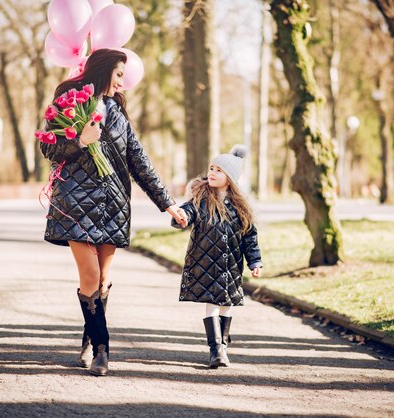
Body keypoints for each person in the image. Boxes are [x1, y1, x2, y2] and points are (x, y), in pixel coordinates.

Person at [39, 49, 187, 376]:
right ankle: (103, 350)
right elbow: (48, 147)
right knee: (90, 276)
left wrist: (168, 203)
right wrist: (80, 139)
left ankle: (90, 338)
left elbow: (139, 162)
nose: (123, 82)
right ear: (104, 70)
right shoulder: (69, 100)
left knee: (104, 281)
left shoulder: (118, 114)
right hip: (75, 202)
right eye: (119, 75)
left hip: (113, 204)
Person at [171, 145, 262, 368]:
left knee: (226, 304)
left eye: (218, 170)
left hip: (230, 265)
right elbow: (187, 213)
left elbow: (249, 236)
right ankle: (216, 350)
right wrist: (180, 217)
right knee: (211, 303)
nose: (212, 173)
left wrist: (255, 261)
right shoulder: (201, 199)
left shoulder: (241, 207)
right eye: (211, 168)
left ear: (230, 178)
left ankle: (223, 346)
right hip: (204, 262)